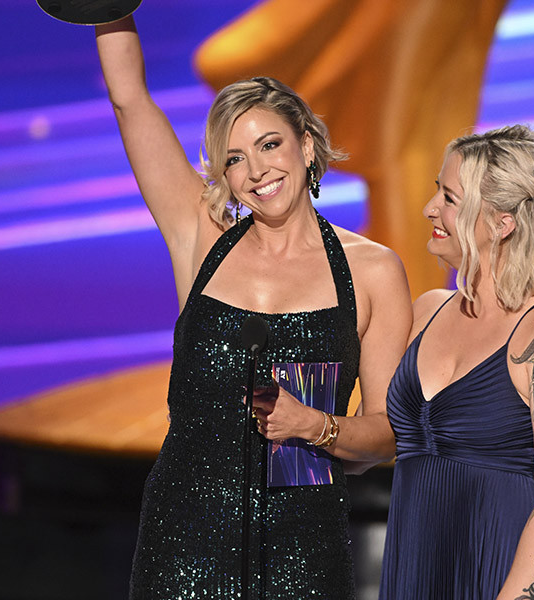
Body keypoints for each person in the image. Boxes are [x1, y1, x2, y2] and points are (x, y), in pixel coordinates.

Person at [94, 15, 413, 600]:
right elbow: (129, 99)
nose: (258, 169)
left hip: (303, 549)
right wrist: (108, 8)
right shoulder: (203, 236)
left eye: (270, 145)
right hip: (183, 540)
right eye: (236, 158)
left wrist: (313, 427)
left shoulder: (372, 271)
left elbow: (389, 434)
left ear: (307, 146)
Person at [379, 124, 534, 599]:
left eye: (450, 198)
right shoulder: (425, 311)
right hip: (420, 569)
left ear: (502, 222)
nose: (429, 208)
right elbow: (378, 438)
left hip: (510, 580)